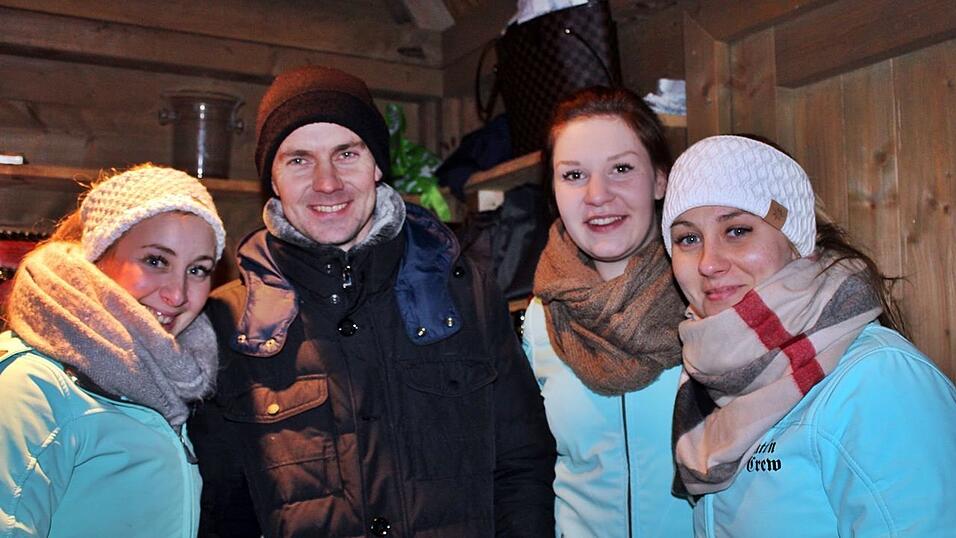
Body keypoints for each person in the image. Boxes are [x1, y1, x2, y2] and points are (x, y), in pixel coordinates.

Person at [190, 65, 556, 537]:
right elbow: (221, 509)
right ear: (272, 179)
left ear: (377, 165)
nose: (327, 183)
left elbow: (523, 467)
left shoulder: (465, 293)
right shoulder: (230, 320)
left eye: (346, 153)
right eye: (299, 159)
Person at [661, 135, 956, 537]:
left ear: (797, 239)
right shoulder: (709, 380)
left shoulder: (878, 379)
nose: (709, 263)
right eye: (688, 238)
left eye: (737, 230)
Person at [0, 165, 226, 537]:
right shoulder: (34, 387)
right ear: (98, 257)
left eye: (198, 270)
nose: (179, 294)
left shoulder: (170, 381)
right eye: (156, 261)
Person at [521, 86, 693, 537]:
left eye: (621, 169)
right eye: (574, 175)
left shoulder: (707, 294)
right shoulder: (540, 318)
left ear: (659, 178)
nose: (597, 195)